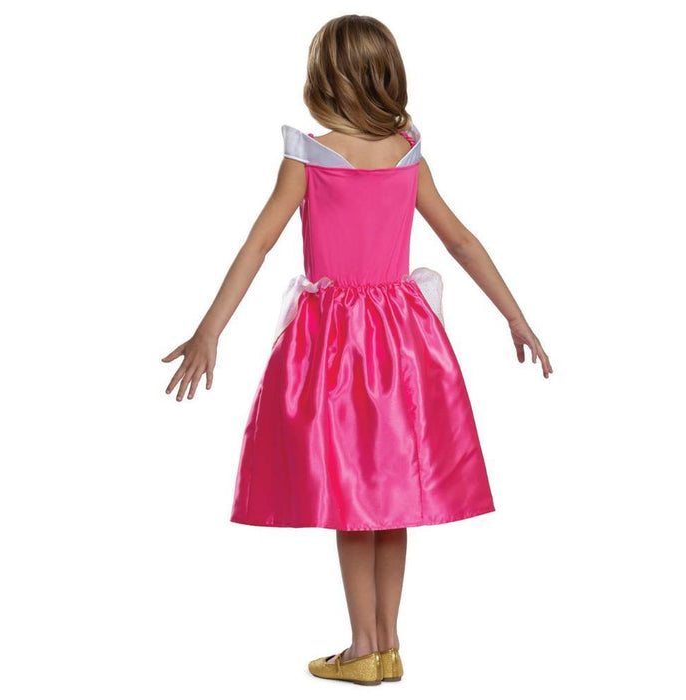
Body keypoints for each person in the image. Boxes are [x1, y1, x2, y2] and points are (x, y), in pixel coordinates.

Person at [162, 13, 552, 686]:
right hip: (403, 342)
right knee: (393, 495)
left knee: (352, 497)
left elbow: (258, 245)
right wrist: (515, 317)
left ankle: (363, 646)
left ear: (324, 79)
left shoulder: (310, 157)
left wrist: (210, 329)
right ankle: (388, 644)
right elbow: (460, 241)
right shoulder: (406, 153)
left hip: (338, 347)